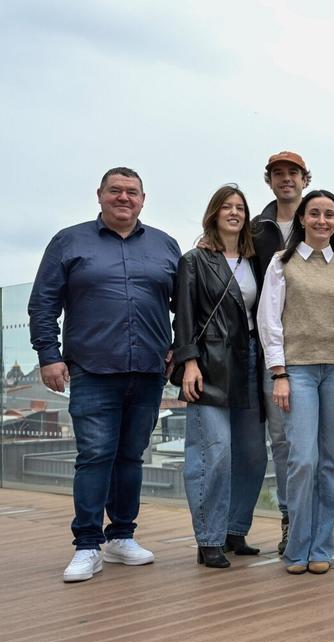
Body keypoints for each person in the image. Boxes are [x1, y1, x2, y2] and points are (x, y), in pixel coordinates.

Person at [29, 167, 180, 582]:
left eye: (132, 192)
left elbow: (186, 304)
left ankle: (122, 536)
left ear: (143, 199)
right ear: (100, 195)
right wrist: (49, 356)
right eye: (115, 190)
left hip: (148, 370)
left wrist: (179, 346)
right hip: (92, 369)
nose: (123, 197)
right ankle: (87, 544)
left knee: (131, 457)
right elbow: (43, 303)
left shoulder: (165, 245)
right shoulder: (68, 241)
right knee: (95, 456)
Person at [257, 189, 334, 575]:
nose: (322, 220)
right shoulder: (281, 262)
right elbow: (269, 320)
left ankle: (322, 547)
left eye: (330, 215)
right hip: (298, 371)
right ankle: (297, 548)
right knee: (302, 459)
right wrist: (279, 373)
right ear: (302, 219)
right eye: (315, 213)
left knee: (330, 462)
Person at [250, 151, 334, 555]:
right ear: (269, 180)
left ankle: (314, 538)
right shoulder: (258, 230)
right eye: (278, 173)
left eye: (293, 172)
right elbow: (234, 259)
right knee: (288, 447)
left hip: (332, 362)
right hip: (283, 359)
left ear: (304, 178)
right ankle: (292, 524)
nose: (285, 179)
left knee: (320, 456)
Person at [174, 184, 268, 568]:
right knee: (213, 452)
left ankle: (234, 529)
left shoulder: (255, 261)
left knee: (252, 455)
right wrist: (189, 362)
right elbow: (183, 316)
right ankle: (208, 538)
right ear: (214, 214)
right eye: (227, 207)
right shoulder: (195, 260)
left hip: (250, 360)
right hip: (209, 364)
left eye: (240, 207)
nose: (234, 213)